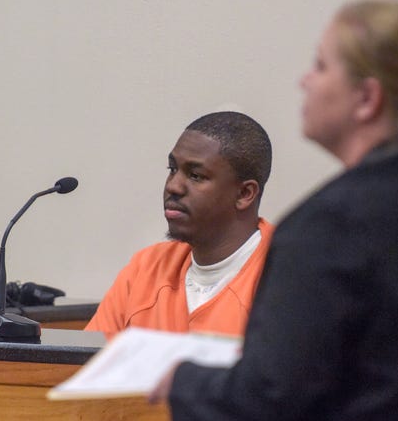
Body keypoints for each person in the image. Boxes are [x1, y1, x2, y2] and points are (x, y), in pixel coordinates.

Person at [150, 0, 398, 421]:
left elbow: (269, 393)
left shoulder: (328, 228)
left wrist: (180, 380)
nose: (306, 80)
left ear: (367, 99)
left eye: (321, 66)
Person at [86, 111, 274, 338]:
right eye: (172, 169)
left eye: (195, 176)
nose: (173, 186)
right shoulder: (146, 268)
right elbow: (88, 367)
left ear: (245, 193)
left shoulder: (286, 275)